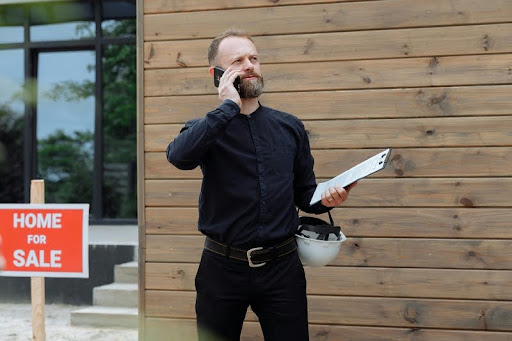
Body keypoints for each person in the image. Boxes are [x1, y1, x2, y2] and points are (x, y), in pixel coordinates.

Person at [166, 29, 357, 341]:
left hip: (282, 268)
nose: (250, 65)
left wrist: (330, 198)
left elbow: (305, 196)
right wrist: (227, 106)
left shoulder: (290, 127)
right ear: (218, 74)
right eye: (238, 61)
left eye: (253, 58)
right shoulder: (206, 129)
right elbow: (178, 157)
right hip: (221, 269)